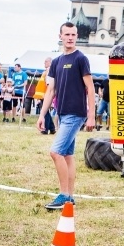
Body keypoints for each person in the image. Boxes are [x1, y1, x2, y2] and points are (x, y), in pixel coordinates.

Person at [38, 22, 95, 209]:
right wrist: (42, 115)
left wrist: (91, 115)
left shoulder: (81, 59)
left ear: (76, 36)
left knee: (55, 152)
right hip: (62, 114)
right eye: (67, 34)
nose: (70, 37)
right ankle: (69, 196)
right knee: (68, 155)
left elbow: (90, 87)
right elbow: (50, 90)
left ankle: (63, 196)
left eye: (73, 34)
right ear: (60, 36)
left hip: (75, 113)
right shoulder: (56, 62)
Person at [33, 57, 55, 135]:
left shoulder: (49, 70)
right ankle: (52, 128)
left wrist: (47, 94)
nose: (44, 63)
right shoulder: (45, 71)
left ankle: (45, 129)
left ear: (50, 62)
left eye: (46, 61)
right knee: (46, 112)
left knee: (45, 112)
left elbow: (48, 83)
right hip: (43, 94)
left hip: (45, 94)